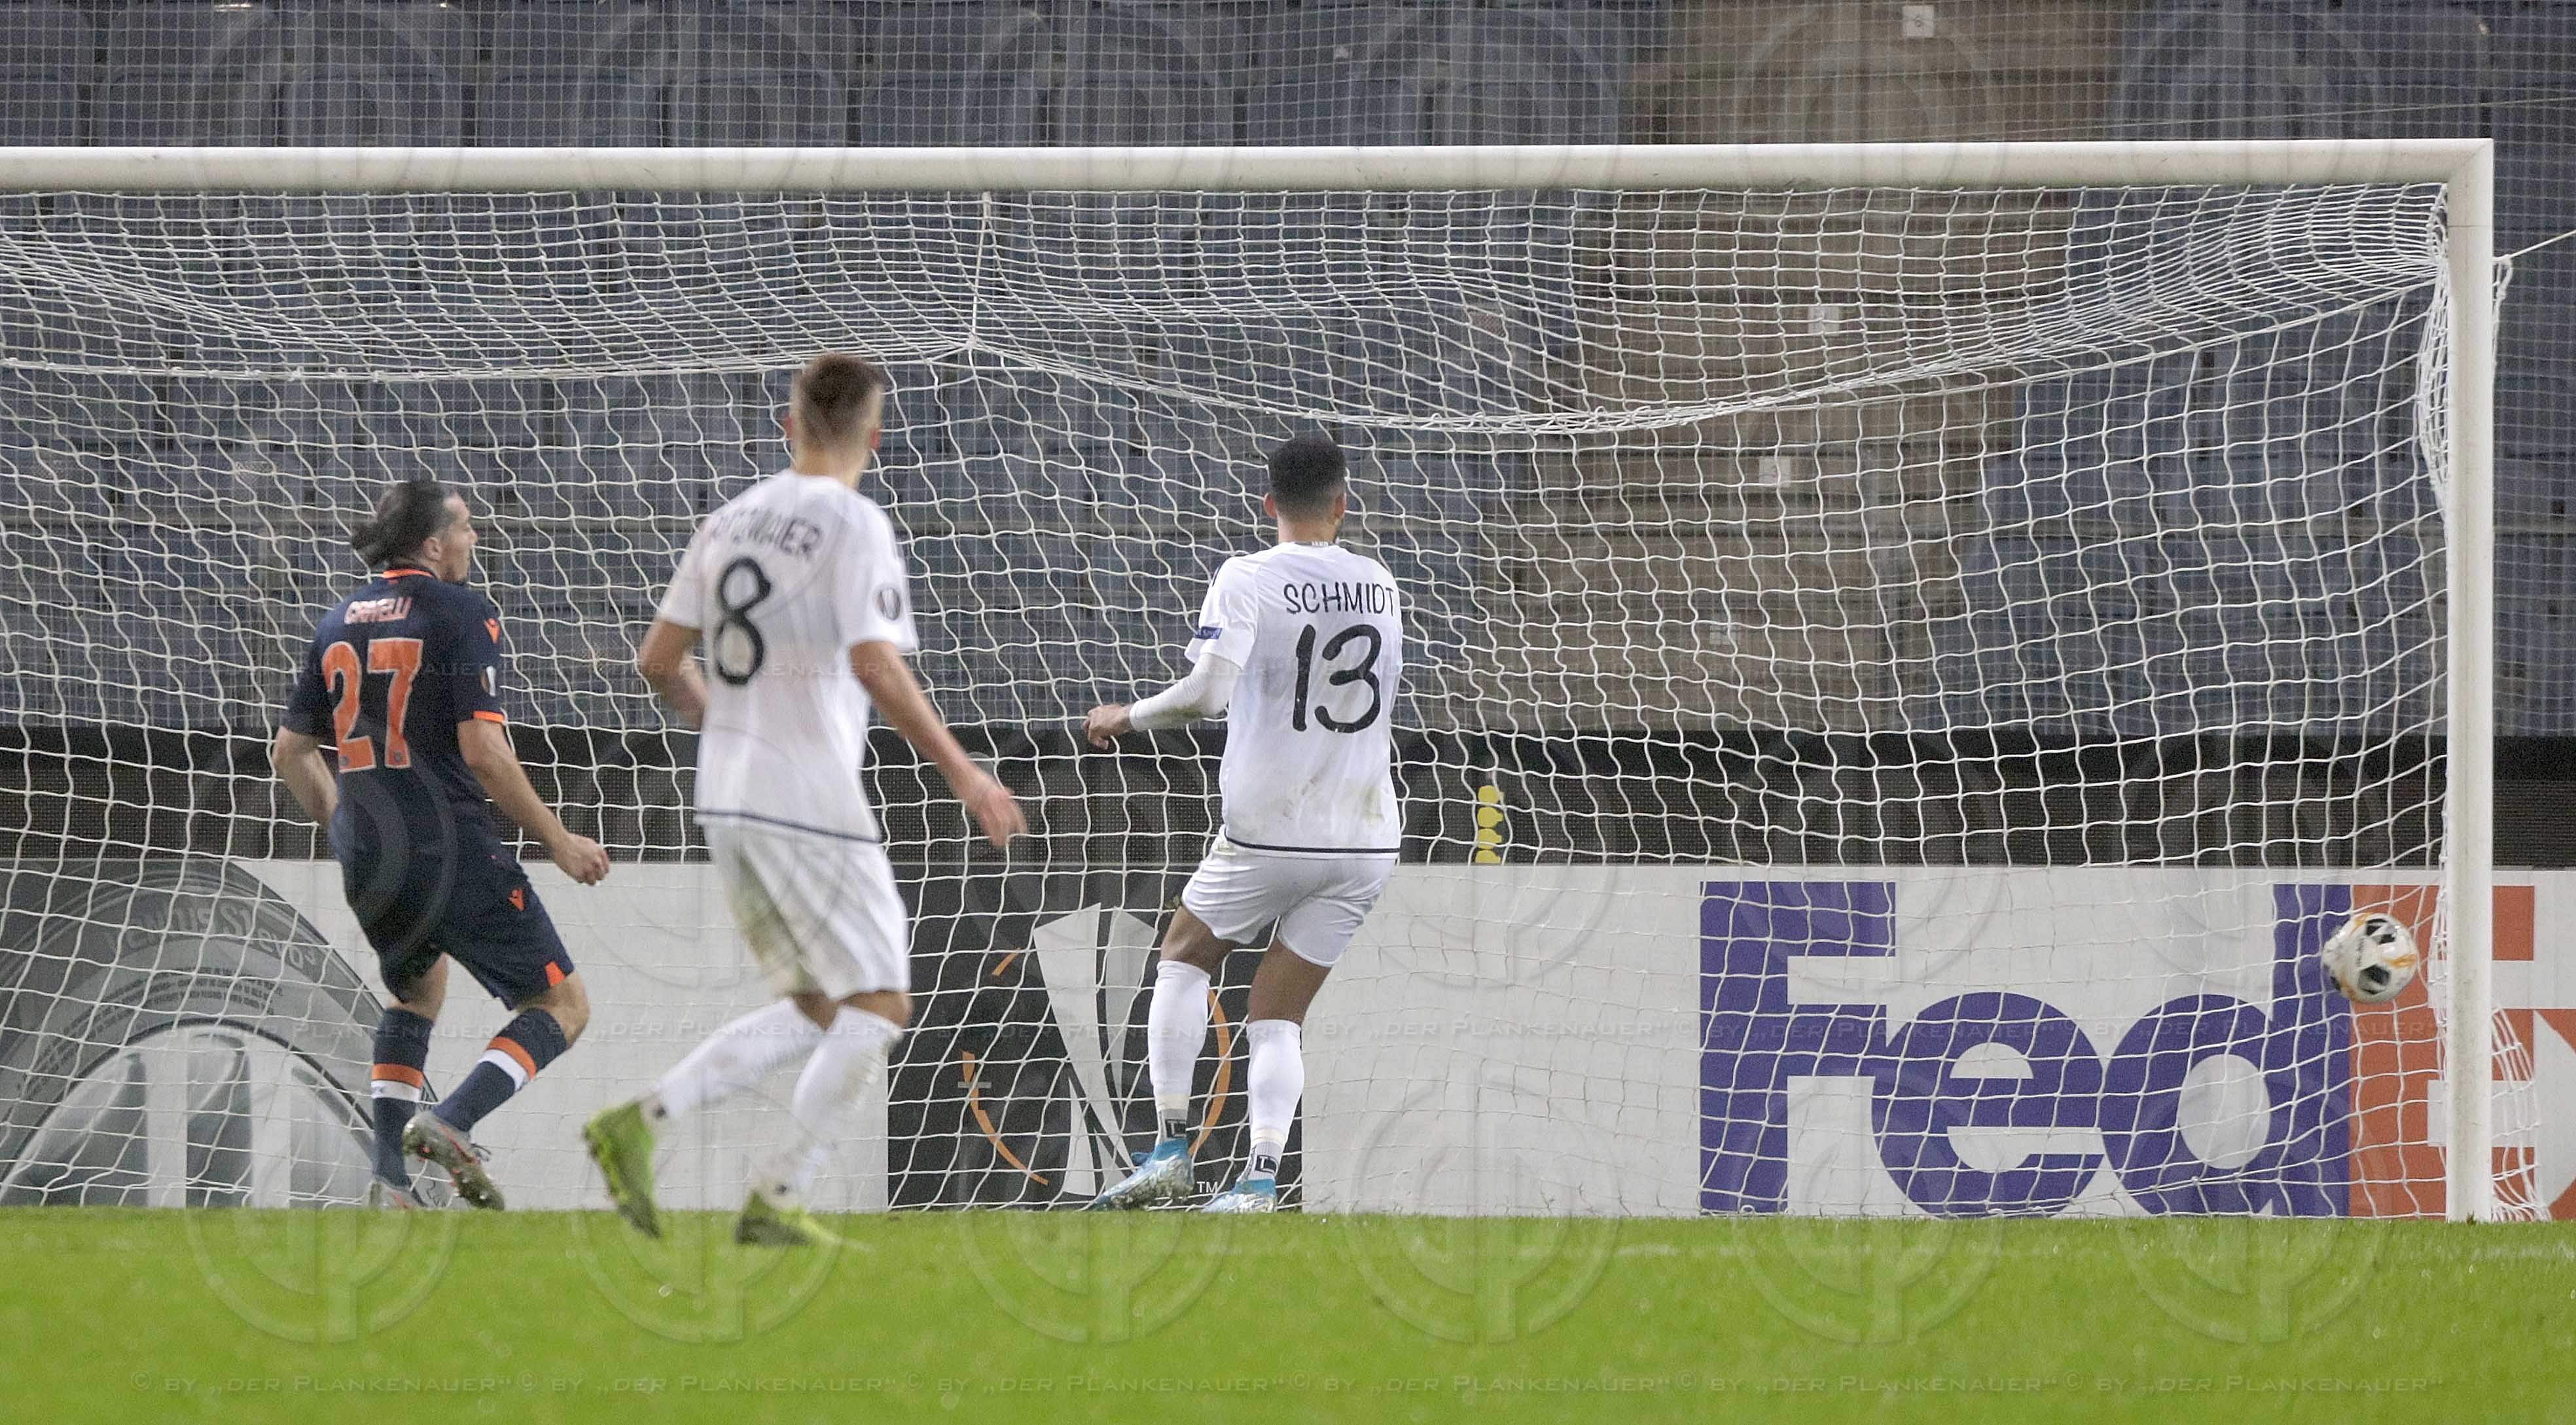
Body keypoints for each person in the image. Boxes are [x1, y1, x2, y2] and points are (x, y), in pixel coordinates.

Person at [586, 352, 1026, 1246]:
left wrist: (725, 728)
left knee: (821, 1007)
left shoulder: (729, 520)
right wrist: (965, 772)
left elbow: (657, 662)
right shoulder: (853, 522)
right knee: (882, 1002)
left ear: (789, 427)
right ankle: (779, 1194)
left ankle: (645, 1121)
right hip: (808, 796)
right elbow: (875, 664)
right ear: (875, 430)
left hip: (730, 799)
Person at [1086, 432, 1403, 1212]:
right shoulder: (1380, 581)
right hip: (1365, 837)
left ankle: (1167, 1149)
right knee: (1277, 1009)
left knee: (1186, 954)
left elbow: (1206, 694)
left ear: (1269, 504)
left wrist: (1127, 715)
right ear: (1343, 504)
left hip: (1270, 828)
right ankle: (1260, 1179)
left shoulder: (1247, 576)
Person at [272, 478, 611, 1210]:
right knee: (563, 1003)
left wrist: (344, 823)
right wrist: (557, 839)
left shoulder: (336, 620)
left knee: (418, 990)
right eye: (466, 528)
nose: (475, 540)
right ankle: (452, 1121)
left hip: (371, 857)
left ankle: (389, 1181)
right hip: (449, 845)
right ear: (432, 543)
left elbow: (290, 750)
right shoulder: (461, 611)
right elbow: (484, 750)